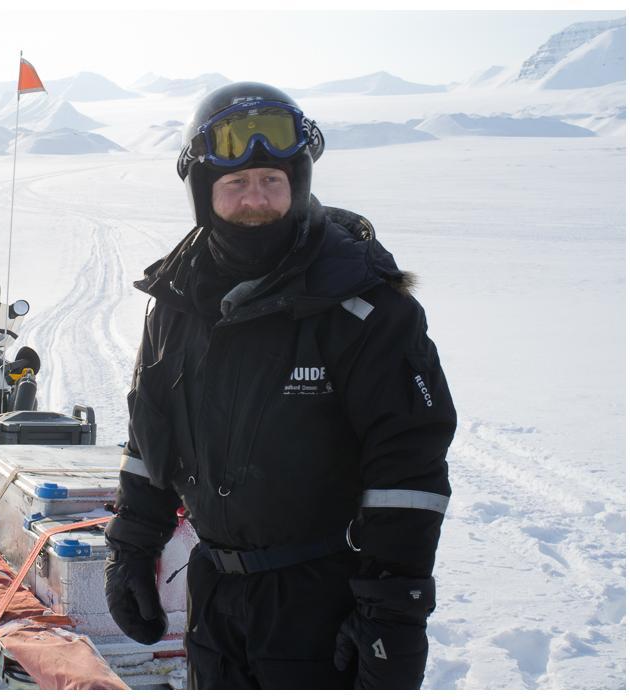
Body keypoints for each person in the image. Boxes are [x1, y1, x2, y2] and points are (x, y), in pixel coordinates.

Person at [103, 82, 456, 690]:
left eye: (271, 180)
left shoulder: (365, 307)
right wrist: (132, 547)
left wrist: (393, 612)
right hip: (214, 591)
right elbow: (150, 437)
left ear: (298, 182)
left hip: (323, 598)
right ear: (203, 193)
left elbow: (408, 472)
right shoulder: (176, 303)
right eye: (235, 184)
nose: (256, 200)